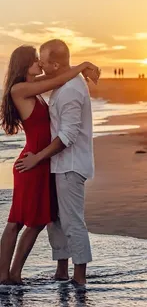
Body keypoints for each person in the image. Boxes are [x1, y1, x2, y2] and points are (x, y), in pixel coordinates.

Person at [0, 44, 99, 285]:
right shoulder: (21, 89)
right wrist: (83, 65)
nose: (40, 64)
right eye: (36, 60)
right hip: (33, 162)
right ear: (26, 65)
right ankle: (5, 276)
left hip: (42, 162)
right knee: (19, 221)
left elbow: (58, 75)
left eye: (41, 60)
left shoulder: (34, 87)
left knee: (36, 221)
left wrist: (78, 67)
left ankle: (13, 275)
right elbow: (58, 78)